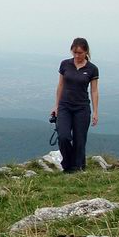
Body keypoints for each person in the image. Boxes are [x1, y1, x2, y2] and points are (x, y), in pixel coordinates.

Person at [51, 38, 100, 173]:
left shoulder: (92, 69)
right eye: (75, 53)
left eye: (80, 53)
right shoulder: (65, 64)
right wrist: (56, 105)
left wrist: (95, 111)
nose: (77, 56)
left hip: (82, 108)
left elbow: (94, 91)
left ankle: (77, 168)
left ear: (86, 52)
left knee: (80, 140)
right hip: (65, 106)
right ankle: (68, 164)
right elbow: (60, 85)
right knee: (64, 136)